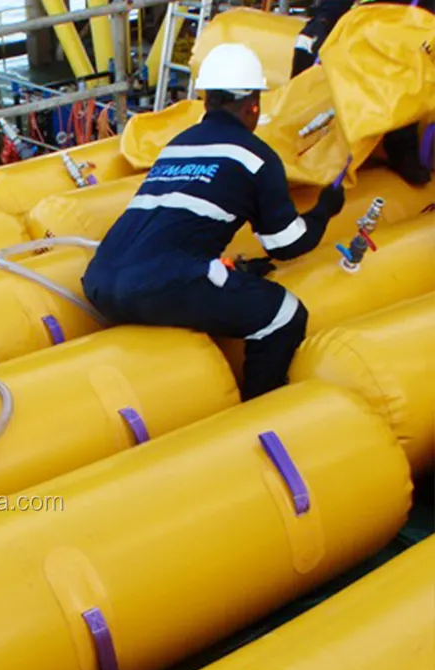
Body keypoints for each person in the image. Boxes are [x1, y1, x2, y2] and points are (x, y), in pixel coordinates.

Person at [81, 43, 345, 400]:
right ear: (253, 102)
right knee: (285, 314)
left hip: (100, 279)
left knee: (225, 275)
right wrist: (324, 209)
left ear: (206, 99)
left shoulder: (179, 145)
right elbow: (287, 244)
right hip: (156, 285)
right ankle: (261, 409)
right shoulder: (256, 157)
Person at [291, 0, 433, 186]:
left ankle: (401, 147)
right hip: (366, 21)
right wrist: (324, 20)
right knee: (307, 42)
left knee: (403, 60)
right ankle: (297, 125)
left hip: (404, 28)